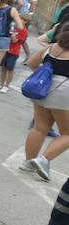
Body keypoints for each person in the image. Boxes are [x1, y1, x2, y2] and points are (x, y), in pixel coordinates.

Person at [20, 25, 69, 181]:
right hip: (64, 93)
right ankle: (44, 159)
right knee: (67, 133)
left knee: (39, 128)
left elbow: (32, 63)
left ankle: (28, 162)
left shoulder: (51, 48)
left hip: (43, 89)